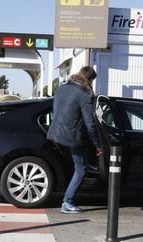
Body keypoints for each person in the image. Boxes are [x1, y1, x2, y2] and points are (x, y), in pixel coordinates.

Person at [47, 66, 103, 214]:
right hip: (72, 136)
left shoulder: (62, 88)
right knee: (81, 169)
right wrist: (98, 145)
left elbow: (56, 110)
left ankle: (68, 195)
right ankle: (67, 202)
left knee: (75, 165)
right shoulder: (84, 95)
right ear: (89, 79)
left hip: (56, 133)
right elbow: (90, 123)